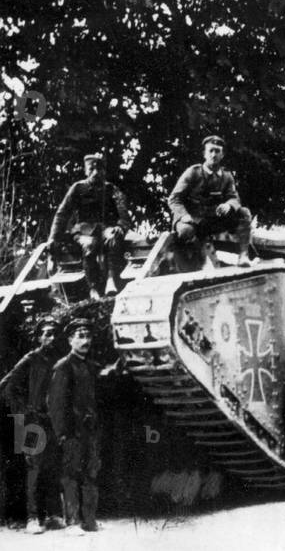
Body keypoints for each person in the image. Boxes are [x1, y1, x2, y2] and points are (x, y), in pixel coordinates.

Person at [0, 320, 63, 533]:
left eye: (54, 334)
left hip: (53, 421)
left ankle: (54, 515)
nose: (51, 338)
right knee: (34, 468)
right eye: (47, 334)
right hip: (32, 423)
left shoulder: (58, 359)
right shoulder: (30, 359)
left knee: (53, 467)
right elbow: (7, 386)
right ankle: (33, 518)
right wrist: (24, 411)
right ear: (38, 337)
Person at [48, 154, 132, 299]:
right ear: (86, 170)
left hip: (105, 229)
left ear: (104, 171)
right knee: (90, 244)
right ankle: (93, 287)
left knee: (113, 237)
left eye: (99, 169)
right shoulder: (78, 188)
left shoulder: (111, 189)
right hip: (83, 232)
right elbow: (62, 214)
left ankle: (111, 280)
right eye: (92, 169)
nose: (96, 172)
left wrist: (120, 227)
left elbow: (123, 212)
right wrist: (53, 238)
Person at [47, 318, 101, 534]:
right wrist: (62, 434)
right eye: (80, 336)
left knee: (91, 473)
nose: (85, 340)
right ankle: (73, 522)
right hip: (72, 432)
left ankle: (90, 521)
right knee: (71, 475)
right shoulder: (63, 367)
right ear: (70, 340)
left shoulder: (90, 365)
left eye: (88, 336)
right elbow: (55, 404)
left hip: (90, 431)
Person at [167, 135, 253, 269]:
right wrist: (184, 215)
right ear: (204, 154)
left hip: (212, 221)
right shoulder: (193, 173)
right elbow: (174, 198)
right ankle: (186, 264)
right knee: (186, 231)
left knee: (243, 213)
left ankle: (243, 255)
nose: (214, 155)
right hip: (192, 219)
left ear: (222, 154)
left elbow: (234, 198)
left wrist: (229, 205)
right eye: (210, 151)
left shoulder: (226, 176)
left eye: (217, 151)